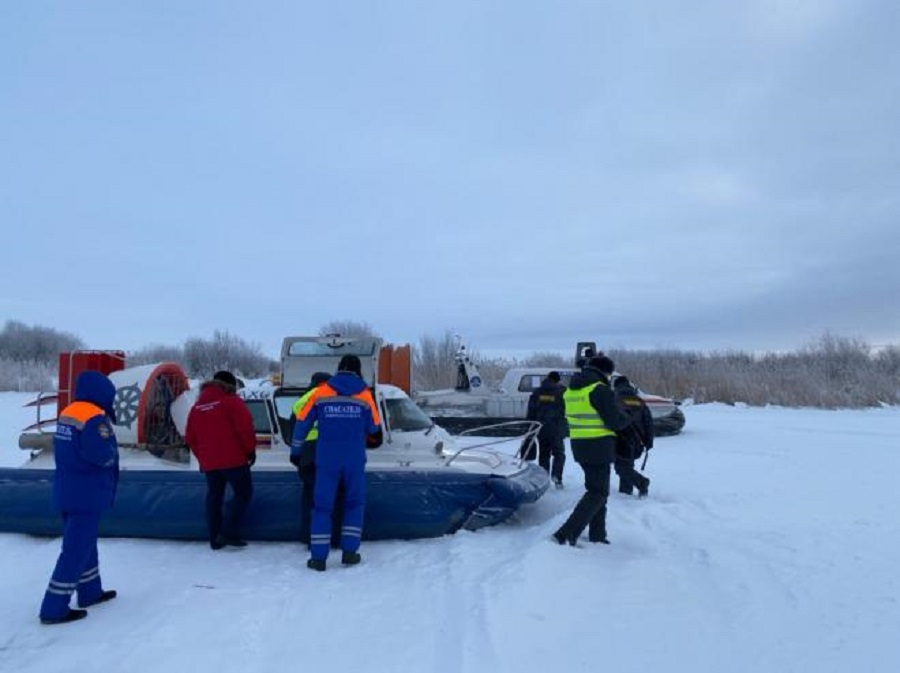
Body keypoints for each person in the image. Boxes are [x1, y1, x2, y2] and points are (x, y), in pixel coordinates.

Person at [39, 370, 120, 625]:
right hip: (88, 493)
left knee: (85, 544)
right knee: (75, 550)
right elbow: (100, 454)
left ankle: (90, 591)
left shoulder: (70, 412)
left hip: (68, 489)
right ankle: (53, 607)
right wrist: (112, 458)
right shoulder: (95, 418)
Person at [292, 354, 383, 571]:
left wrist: (296, 451)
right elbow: (374, 428)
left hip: (326, 458)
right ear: (359, 370)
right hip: (353, 459)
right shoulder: (365, 396)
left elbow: (302, 423)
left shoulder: (320, 393)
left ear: (338, 369)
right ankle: (350, 554)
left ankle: (318, 559)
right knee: (354, 504)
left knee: (322, 507)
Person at [553, 356, 632, 546]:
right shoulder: (599, 390)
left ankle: (598, 535)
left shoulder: (572, 390)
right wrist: (627, 415)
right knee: (597, 493)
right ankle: (566, 534)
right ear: (605, 372)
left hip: (580, 446)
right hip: (599, 446)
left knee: (597, 491)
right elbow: (614, 421)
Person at [185, 370, 257, 550]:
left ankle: (214, 538)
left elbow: (190, 438)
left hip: (210, 464)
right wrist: (249, 451)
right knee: (243, 494)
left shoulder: (196, 408)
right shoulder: (232, 402)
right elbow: (245, 429)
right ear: (230, 385)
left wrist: (203, 457)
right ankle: (227, 532)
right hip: (234, 460)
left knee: (214, 497)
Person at [289, 371, 343, 548]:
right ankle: (333, 538)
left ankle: (310, 538)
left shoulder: (301, 401)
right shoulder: (336, 398)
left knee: (310, 499)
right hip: (330, 451)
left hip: (307, 454)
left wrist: (296, 454)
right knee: (334, 497)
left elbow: (293, 432)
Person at [524, 371, 568, 488]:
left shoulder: (537, 392)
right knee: (559, 453)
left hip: (540, 427)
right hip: (556, 426)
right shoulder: (562, 391)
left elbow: (531, 410)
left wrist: (529, 427)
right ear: (557, 380)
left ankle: (544, 478)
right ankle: (557, 477)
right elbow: (567, 407)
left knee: (544, 454)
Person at [613, 376, 654, 497]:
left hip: (620, 439)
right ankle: (625, 493)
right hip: (637, 441)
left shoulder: (614, 399)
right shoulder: (639, 401)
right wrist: (649, 441)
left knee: (621, 468)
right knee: (626, 465)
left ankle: (642, 482)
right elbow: (648, 422)